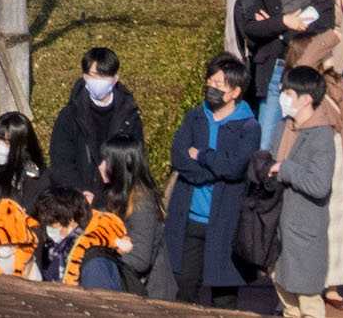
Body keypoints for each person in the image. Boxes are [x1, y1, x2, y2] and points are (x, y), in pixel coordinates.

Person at [165, 56, 261, 307]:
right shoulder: (194, 117)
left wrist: (203, 155)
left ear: (235, 91)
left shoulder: (249, 127)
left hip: (226, 223)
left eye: (219, 83)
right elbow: (179, 156)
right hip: (190, 220)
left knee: (224, 296)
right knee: (184, 289)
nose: (211, 87)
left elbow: (235, 167)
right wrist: (215, 169)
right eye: (210, 81)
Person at [262, 65, 342, 318]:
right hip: (279, 226)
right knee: (287, 300)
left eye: (288, 92)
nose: (283, 96)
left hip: (304, 231)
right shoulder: (283, 126)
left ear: (307, 99)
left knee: (309, 302)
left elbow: (319, 185)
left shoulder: (321, 136)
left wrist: (285, 170)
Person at [47, 44, 146, 199]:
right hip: (80, 201)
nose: (98, 81)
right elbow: (61, 164)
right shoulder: (70, 115)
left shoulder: (129, 116)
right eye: (93, 75)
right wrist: (79, 193)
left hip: (117, 200)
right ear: (84, 76)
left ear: (115, 79)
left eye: (104, 76)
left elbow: (136, 160)